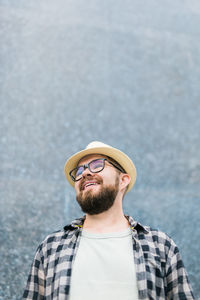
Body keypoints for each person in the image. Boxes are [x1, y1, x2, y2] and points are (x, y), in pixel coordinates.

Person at [23, 141, 195, 300]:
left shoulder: (160, 245)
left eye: (97, 165)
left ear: (123, 180)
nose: (86, 173)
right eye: (79, 171)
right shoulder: (51, 247)